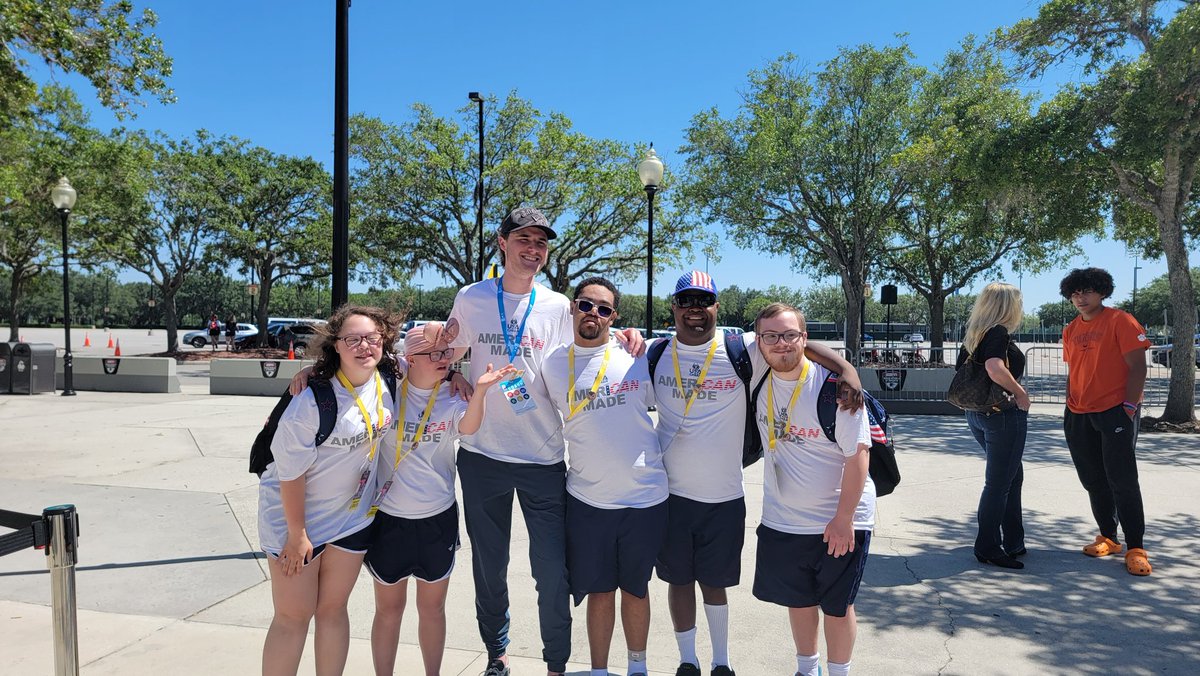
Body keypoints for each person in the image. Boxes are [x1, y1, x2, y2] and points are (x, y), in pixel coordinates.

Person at [444, 207, 644, 676]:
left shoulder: (557, 305)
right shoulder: (471, 298)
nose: (532, 250)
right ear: (502, 242)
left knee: (553, 572)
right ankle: (497, 652)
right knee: (489, 569)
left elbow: (588, 346)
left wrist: (628, 336)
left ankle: (556, 662)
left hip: (544, 459)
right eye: (523, 240)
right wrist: (452, 369)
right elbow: (445, 350)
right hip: (482, 457)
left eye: (540, 243)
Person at [652, 271, 863, 676]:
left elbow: (795, 341)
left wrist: (846, 369)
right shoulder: (655, 352)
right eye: (687, 301)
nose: (696, 309)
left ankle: (721, 663)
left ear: (716, 306)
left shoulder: (740, 348)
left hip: (724, 495)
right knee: (678, 581)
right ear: (674, 307)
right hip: (670, 494)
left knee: (715, 583)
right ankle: (687, 662)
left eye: (704, 301)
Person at [366, 322, 515, 676]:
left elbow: (468, 428)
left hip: (437, 518)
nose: (443, 359)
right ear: (409, 360)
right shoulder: (384, 390)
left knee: (432, 610)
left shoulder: (453, 395)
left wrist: (478, 392)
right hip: (389, 519)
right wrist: (311, 370)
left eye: (446, 353)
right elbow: (358, 362)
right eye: (433, 353)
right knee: (388, 611)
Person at [258, 305, 399, 676]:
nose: (363, 346)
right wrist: (296, 534)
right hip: (294, 519)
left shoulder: (387, 379)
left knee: (334, 610)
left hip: (350, 518)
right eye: (352, 339)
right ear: (335, 346)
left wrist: (457, 376)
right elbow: (289, 474)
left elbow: (435, 356)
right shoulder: (311, 401)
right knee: (293, 616)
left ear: (384, 341)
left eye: (371, 338)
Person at [541, 277, 668, 676]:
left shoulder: (638, 356)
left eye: (604, 309)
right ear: (573, 309)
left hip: (644, 498)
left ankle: (637, 668)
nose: (593, 313)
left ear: (614, 317)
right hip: (587, 499)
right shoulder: (552, 364)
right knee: (598, 591)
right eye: (585, 305)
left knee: (635, 589)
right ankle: (598, 670)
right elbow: (522, 404)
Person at [751, 303, 873, 676]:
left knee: (837, 607)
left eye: (790, 335)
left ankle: (839, 673)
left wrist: (843, 518)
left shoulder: (836, 389)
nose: (781, 344)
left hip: (837, 520)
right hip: (782, 519)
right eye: (771, 336)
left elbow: (858, 458)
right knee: (798, 601)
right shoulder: (755, 374)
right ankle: (807, 670)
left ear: (805, 338)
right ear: (758, 342)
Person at [1059, 267, 1152, 576]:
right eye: (1074, 293)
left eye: (1086, 291)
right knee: (1093, 479)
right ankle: (1108, 537)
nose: (1080, 298)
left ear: (1101, 291)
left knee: (1122, 479)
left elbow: (1138, 367)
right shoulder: (1071, 329)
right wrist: (1070, 406)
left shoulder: (1120, 321)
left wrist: (1129, 406)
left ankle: (1136, 547)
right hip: (1079, 413)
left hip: (1115, 411)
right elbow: (1075, 370)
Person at [956, 282, 1031, 570]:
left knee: (1012, 476)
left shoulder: (975, 334)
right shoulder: (998, 332)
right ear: (1008, 305)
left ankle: (1013, 541)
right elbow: (994, 368)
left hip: (977, 413)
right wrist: (1020, 393)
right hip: (1001, 414)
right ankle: (988, 545)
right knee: (999, 483)